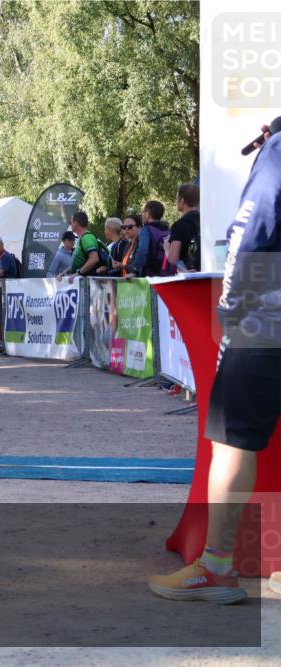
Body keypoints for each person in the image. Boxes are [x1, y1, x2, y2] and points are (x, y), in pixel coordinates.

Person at [148, 121, 281, 605]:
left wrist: (230, 307)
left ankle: (217, 568)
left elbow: (252, 229)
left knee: (230, 443)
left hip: (268, 318)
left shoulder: (279, 150)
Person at [129, 200, 171, 278]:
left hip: (150, 274)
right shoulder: (168, 230)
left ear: (148, 214)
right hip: (166, 273)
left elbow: (143, 251)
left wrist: (135, 270)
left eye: (143, 212)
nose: (142, 215)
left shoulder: (146, 230)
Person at [168, 183, 200, 272]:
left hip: (188, 277)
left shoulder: (179, 225)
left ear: (182, 201)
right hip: (206, 275)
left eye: (177, 198)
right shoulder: (205, 221)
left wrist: (166, 248)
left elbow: (173, 260)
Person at [64, 211, 107, 278]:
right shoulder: (82, 238)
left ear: (76, 223)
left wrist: (78, 273)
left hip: (90, 283)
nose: (70, 225)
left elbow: (94, 259)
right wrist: (64, 273)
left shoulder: (87, 238)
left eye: (71, 222)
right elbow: (80, 263)